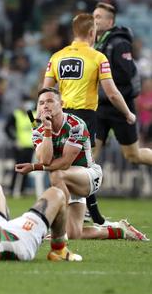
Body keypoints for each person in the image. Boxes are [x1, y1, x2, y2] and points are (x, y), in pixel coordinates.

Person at [14, 88, 148, 241]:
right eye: (41, 103)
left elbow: (64, 163)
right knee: (74, 234)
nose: (45, 106)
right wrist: (48, 130)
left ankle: (57, 228)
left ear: (61, 104)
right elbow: (45, 159)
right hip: (66, 182)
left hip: (88, 175)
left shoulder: (75, 124)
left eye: (50, 101)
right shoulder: (39, 130)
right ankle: (120, 230)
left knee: (57, 174)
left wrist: (33, 167)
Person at [42, 13, 136, 227]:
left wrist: (43, 113)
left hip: (61, 116)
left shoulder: (57, 56)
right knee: (85, 167)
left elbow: (46, 89)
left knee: (69, 166)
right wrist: (128, 114)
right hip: (83, 117)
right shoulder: (97, 57)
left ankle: (82, 215)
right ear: (92, 33)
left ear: (74, 32)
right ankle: (77, 216)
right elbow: (111, 93)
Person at [92, 3, 152, 168]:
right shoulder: (94, 44)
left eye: (98, 17)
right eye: (93, 16)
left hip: (121, 107)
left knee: (133, 155)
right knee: (90, 155)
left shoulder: (119, 43)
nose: (94, 20)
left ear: (110, 22)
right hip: (100, 107)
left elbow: (126, 74)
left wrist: (101, 77)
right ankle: (86, 194)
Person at [4, 95, 35, 197]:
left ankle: (22, 190)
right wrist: (14, 140)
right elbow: (7, 128)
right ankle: (12, 189)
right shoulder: (16, 114)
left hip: (30, 146)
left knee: (27, 169)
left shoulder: (31, 114)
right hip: (19, 146)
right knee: (17, 168)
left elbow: (36, 128)